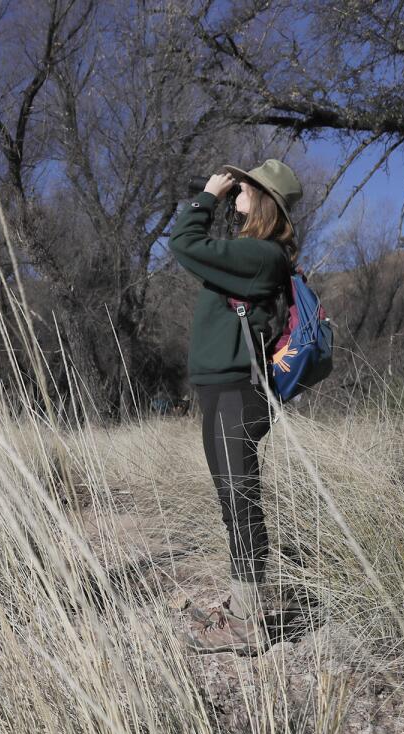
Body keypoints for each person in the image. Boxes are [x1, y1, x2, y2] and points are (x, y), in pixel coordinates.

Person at [167, 158, 303, 655]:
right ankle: (243, 606)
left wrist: (207, 196)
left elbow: (183, 244)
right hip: (222, 390)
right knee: (233, 503)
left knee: (241, 505)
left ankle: (248, 625)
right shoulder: (250, 253)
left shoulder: (262, 255)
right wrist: (222, 200)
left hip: (235, 393)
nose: (236, 189)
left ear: (264, 199)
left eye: (245, 186)